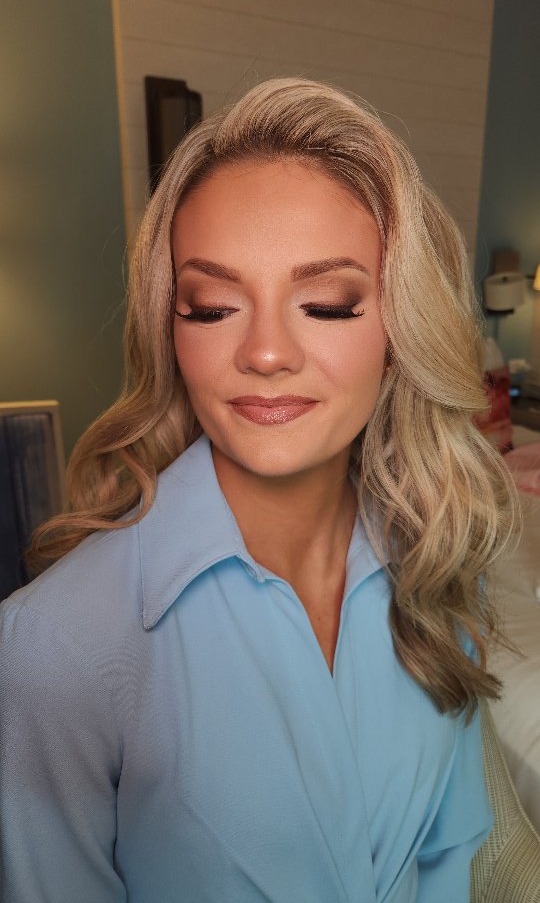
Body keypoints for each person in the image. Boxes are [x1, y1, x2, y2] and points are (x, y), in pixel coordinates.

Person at [0, 77, 520, 903]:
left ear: (400, 330)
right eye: (212, 306)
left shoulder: (436, 561)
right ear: (172, 332)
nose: (267, 352)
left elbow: (450, 856)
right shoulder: (54, 649)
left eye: (327, 304)